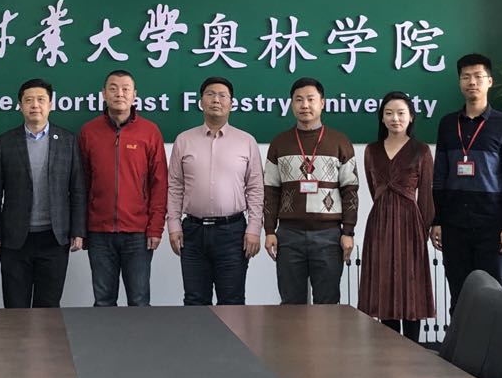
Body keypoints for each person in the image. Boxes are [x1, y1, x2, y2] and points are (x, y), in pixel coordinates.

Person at [432, 53, 502, 311]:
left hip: (492, 226)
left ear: (489, 81)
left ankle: (491, 339)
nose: (472, 82)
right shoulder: (448, 124)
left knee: (492, 295)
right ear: (459, 82)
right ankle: (459, 339)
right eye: (466, 77)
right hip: (454, 226)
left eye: (478, 76)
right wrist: (437, 220)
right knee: (459, 295)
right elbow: (439, 177)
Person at [0, 78, 86, 308]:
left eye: (41, 99)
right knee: (15, 308)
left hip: (54, 238)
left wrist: (78, 230)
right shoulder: (5, 142)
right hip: (15, 240)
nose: (35, 105)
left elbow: (78, 190)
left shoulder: (68, 141)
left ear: (51, 104)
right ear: (20, 105)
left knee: (48, 309)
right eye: (29, 100)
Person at [167, 75, 263, 306]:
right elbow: (175, 186)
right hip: (192, 232)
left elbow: (255, 189)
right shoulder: (184, 140)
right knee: (194, 301)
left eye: (222, 95)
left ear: (231, 103)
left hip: (233, 233)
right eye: (210, 94)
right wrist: (173, 225)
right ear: (201, 101)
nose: (216, 100)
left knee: (232, 302)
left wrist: (254, 229)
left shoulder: (246, 141)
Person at [263, 77, 358, 305]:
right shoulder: (279, 143)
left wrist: (348, 232)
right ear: (291, 104)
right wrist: (269, 230)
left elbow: (350, 191)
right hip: (289, 235)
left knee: (328, 304)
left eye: (310, 99)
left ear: (322, 103)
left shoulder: (340, 141)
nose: (304, 105)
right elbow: (270, 191)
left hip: (329, 236)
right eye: (298, 100)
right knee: (291, 304)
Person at [79, 70, 167, 307]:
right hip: (99, 232)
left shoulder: (150, 132)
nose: (120, 93)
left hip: (138, 233)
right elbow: (81, 184)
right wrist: (81, 228)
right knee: (103, 302)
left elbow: (159, 183)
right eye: (113, 88)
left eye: (126, 89)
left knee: (139, 301)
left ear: (134, 95)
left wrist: (155, 227)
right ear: (103, 94)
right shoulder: (88, 132)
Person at [358, 91, 435, 342]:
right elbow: (374, 190)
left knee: (410, 285)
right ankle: (388, 350)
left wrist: (424, 229)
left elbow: (426, 196)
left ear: (411, 117)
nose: (395, 118)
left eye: (401, 113)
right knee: (385, 286)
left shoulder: (421, 150)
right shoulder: (371, 150)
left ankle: (413, 348)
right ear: (382, 118)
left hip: (411, 224)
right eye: (389, 113)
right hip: (379, 224)